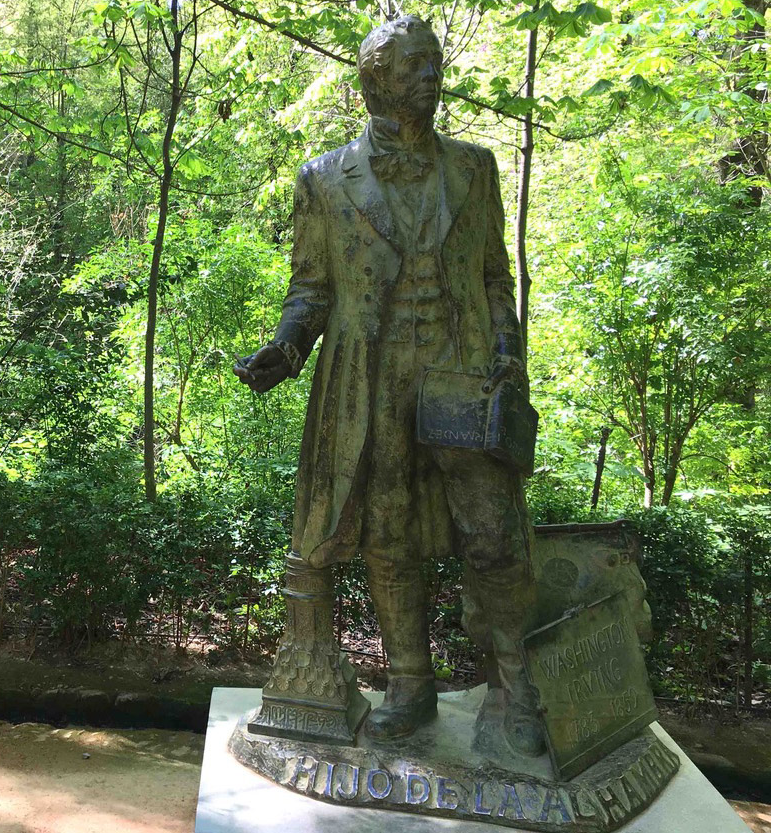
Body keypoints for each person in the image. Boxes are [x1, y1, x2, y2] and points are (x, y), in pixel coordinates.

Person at [234, 14, 544, 756]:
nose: (431, 78)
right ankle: (410, 682)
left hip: (464, 372)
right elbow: (310, 288)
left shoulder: (476, 167)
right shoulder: (322, 177)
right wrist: (286, 348)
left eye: (435, 64)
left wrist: (509, 350)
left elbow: (497, 276)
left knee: (493, 532)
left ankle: (518, 684)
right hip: (371, 381)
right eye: (414, 67)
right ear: (375, 80)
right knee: (389, 532)